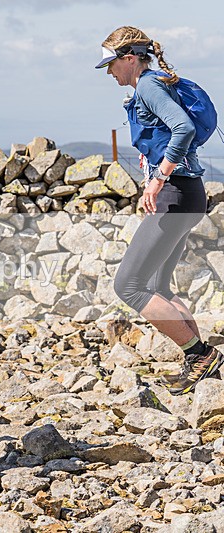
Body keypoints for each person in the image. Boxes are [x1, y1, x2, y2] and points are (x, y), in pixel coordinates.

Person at [97, 26, 221, 395]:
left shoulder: (149, 85)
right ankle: (203, 370)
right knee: (158, 287)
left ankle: (200, 355)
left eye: (111, 64)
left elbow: (182, 128)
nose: (109, 73)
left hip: (174, 195)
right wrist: (153, 157)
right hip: (188, 194)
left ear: (129, 58)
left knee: (129, 286)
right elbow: (171, 133)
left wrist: (157, 178)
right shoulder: (153, 84)